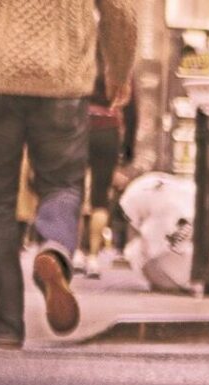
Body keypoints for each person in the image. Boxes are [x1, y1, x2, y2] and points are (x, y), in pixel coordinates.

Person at [0, 0, 137, 349]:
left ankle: (6, 324)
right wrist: (118, 70)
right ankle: (54, 250)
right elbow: (121, 11)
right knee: (63, 185)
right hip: (63, 85)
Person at [79, 59, 135, 278]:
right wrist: (127, 149)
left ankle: (74, 252)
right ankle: (93, 257)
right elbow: (132, 108)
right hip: (108, 129)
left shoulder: (82, 56)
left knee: (73, 188)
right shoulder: (119, 63)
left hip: (79, 125)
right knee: (100, 197)